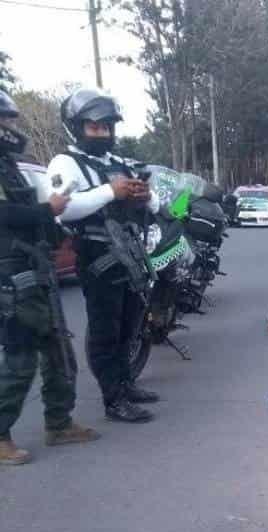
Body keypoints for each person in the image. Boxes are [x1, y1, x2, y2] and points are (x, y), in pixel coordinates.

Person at [47, 88, 160, 424]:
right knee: (105, 330)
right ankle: (113, 399)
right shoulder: (66, 163)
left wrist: (144, 196)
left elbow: (153, 205)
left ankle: (126, 383)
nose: (102, 134)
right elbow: (64, 209)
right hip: (98, 257)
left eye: (107, 127)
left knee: (130, 324)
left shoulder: (119, 163)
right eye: (94, 127)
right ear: (77, 127)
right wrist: (111, 191)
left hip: (130, 253)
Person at [0, 91, 99, 466]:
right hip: (10, 276)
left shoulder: (9, 165)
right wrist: (48, 208)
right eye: (5, 121)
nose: (11, 128)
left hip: (35, 271)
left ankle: (59, 423)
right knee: (20, 359)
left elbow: (27, 213)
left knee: (59, 351)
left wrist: (56, 231)